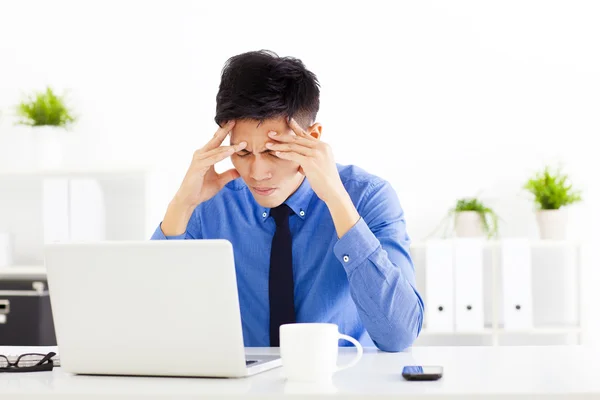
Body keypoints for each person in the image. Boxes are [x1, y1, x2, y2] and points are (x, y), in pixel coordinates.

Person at [151, 50, 424, 352]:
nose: (256, 172)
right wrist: (182, 205)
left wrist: (337, 201)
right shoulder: (211, 202)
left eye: (273, 151)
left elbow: (399, 335)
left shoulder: (368, 197)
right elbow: (150, 320)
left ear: (313, 137)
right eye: (242, 153)